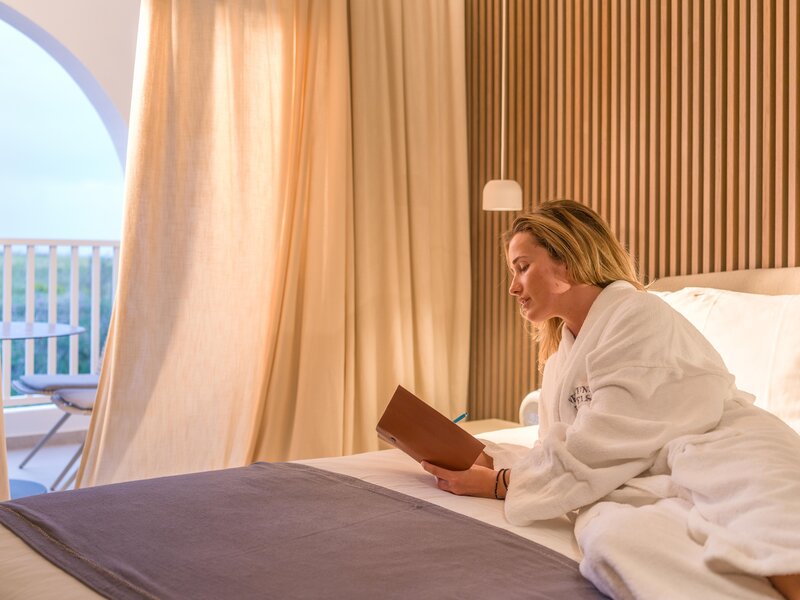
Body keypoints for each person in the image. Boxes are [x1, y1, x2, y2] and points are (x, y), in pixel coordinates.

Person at [421, 199, 800, 600]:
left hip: (726, 444)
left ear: (566, 261)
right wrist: (491, 460)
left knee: (766, 522)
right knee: (613, 536)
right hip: (649, 469)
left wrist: (500, 484)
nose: (513, 287)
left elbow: (605, 439)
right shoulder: (560, 360)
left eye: (523, 267)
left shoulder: (637, 314)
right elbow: (565, 447)